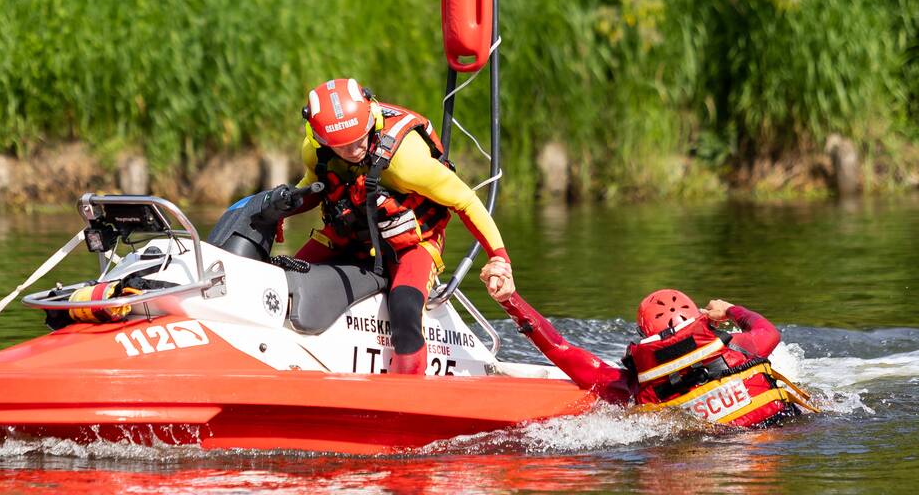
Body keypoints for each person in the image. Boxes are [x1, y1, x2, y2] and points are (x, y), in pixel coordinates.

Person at [289, 78, 515, 374]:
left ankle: (410, 390)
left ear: (371, 117)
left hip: (412, 244)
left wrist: (500, 258)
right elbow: (312, 187)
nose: (355, 149)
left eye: (360, 137)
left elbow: (466, 201)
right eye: (342, 146)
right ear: (320, 138)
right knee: (283, 278)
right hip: (351, 237)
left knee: (405, 310)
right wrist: (279, 214)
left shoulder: (405, 161)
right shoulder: (315, 151)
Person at [483, 279, 817, 427]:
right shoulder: (739, 349)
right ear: (699, 322)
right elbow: (769, 331)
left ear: (645, 337)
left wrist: (510, 300)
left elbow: (561, 350)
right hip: (777, 435)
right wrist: (730, 309)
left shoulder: (634, 385)